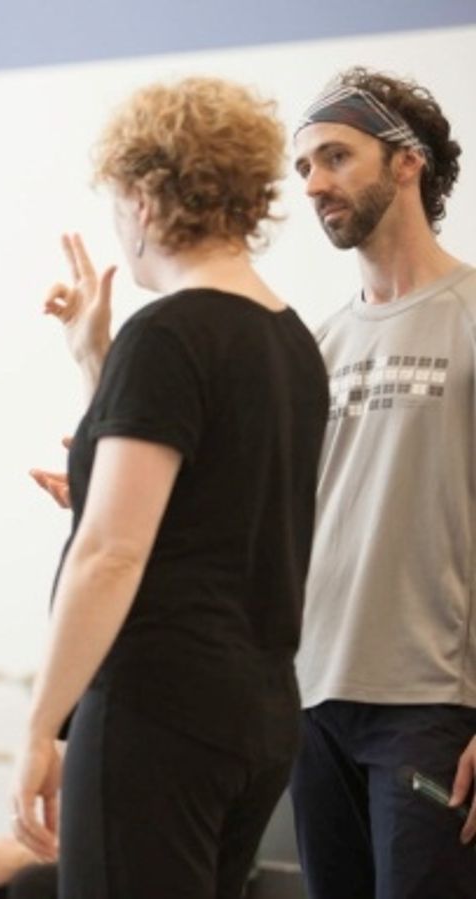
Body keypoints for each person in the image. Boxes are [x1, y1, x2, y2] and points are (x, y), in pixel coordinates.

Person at [12, 77, 329, 899]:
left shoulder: (169, 335)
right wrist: (95, 360)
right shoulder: (290, 340)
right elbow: (201, 514)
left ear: (146, 198)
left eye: (118, 201)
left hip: (159, 712)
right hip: (257, 716)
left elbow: (111, 552)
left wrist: (41, 722)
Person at [289, 67, 476, 898]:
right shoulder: (317, 345)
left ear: (407, 163)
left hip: (434, 708)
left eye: (335, 156)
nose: (314, 184)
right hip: (314, 701)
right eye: (303, 167)